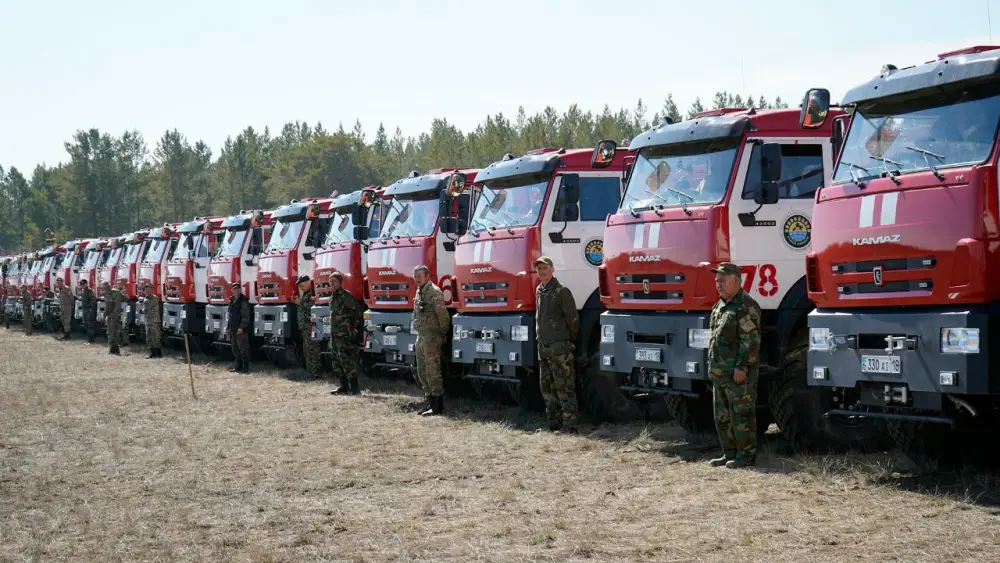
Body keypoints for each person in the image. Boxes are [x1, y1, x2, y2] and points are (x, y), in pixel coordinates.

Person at [707, 262, 762, 470]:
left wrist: (742, 367)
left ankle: (746, 457)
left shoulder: (746, 306)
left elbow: (751, 340)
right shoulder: (720, 305)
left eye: (722, 280)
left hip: (737, 374)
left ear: (736, 281)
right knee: (722, 416)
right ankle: (729, 453)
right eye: (716, 280)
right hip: (720, 373)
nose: (717, 284)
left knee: (741, 416)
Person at [533, 256, 580, 433]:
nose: (542, 272)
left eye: (545, 268)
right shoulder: (539, 290)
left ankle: (570, 426)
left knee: (564, 388)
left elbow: (573, 320)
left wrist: (566, 341)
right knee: (547, 388)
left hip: (559, 348)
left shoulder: (561, 291)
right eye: (539, 269)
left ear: (552, 269)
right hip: (543, 348)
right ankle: (554, 425)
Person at [411, 264, 450, 416]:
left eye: (419, 276)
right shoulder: (419, 291)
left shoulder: (433, 292)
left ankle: (438, 408)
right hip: (421, 336)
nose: (417, 279)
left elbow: (442, 315)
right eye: (415, 277)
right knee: (422, 371)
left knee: (432, 371)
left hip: (432, 337)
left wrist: (442, 334)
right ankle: (430, 403)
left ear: (427, 276)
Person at [328, 271, 361, 395]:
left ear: (340, 282)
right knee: (336, 362)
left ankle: (355, 388)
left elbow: (356, 312)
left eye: (334, 281)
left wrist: (354, 328)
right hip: (334, 334)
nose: (332, 283)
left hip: (344, 334)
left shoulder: (346, 295)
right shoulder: (332, 297)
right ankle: (343, 386)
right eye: (330, 282)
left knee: (347, 361)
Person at [296, 275, 322, 378]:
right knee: (307, 350)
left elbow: (312, 307)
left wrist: (300, 302)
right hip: (305, 327)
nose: (301, 288)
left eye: (302, 286)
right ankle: (310, 372)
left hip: (311, 326)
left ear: (307, 282)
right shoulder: (306, 294)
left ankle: (316, 373)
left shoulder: (313, 292)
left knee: (313, 350)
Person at [228, 282, 251, 372]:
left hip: (241, 330)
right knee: (235, 349)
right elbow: (230, 316)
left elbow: (246, 316)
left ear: (240, 290)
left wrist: (241, 327)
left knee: (243, 349)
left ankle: (245, 368)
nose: (236, 291)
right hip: (233, 329)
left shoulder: (243, 301)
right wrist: (228, 327)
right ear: (232, 290)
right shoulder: (232, 300)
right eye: (234, 289)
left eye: (237, 289)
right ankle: (238, 367)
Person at [105, 280, 125, 355]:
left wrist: (113, 314)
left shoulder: (116, 292)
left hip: (115, 315)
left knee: (114, 332)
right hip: (109, 315)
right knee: (110, 332)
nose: (104, 289)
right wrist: (106, 315)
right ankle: (112, 349)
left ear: (108, 286)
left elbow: (117, 305)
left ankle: (116, 349)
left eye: (105, 287)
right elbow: (107, 306)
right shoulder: (107, 293)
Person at [144, 281, 162, 359]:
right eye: (146, 289)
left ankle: (158, 354)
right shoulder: (146, 298)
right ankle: (152, 353)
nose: (147, 290)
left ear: (152, 289)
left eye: (148, 288)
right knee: (149, 337)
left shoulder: (154, 298)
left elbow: (147, 308)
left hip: (154, 321)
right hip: (148, 320)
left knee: (155, 337)